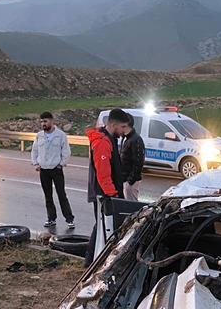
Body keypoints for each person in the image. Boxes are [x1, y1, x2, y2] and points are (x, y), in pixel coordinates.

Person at [84, 108, 129, 265]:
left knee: (102, 227)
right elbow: (103, 174)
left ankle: (92, 261)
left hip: (107, 194)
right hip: (105, 195)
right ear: (114, 124)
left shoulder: (109, 139)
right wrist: (113, 195)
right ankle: (91, 262)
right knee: (103, 228)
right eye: (122, 127)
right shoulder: (103, 142)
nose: (124, 131)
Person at [31, 111, 75, 229]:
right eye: (41, 122)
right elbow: (35, 150)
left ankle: (69, 219)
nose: (43, 124)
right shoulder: (39, 135)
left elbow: (66, 151)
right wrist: (36, 163)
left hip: (56, 169)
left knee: (61, 195)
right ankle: (51, 218)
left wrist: (61, 164)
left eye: (45, 121)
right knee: (48, 196)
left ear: (52, 121)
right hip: (44, 170)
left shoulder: (60, 135)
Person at [120, 113, 145, 201]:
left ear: (125, 124)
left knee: (131, 206)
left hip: (131, 182)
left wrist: (129, 182)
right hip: (125, 179)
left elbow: (138, 162)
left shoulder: (135, 140)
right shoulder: (126, 138)